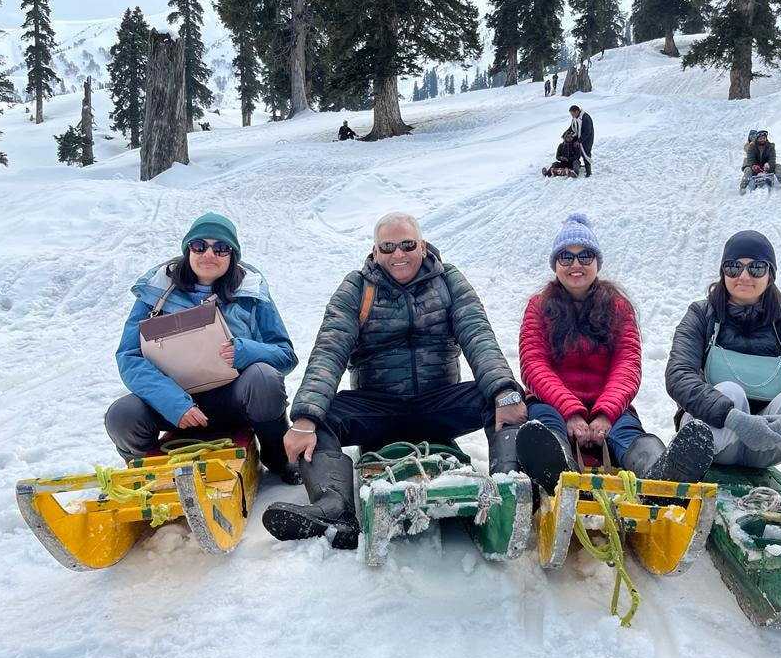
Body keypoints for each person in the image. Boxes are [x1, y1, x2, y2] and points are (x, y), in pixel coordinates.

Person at [262, 212, 527, 547]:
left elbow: (477, 334)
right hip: (379, 408)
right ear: (375, 251)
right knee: (320, 417)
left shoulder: (448, 281)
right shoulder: (357, 288)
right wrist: (304, 418)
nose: (398, 254)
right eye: (387, 247)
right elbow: (329, 349)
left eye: (407, 244)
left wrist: (504, 391)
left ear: (422, 246)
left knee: (503, 398)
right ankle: (334, 509)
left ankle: (509, 487)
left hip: (438, 403)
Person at [515, 215, 715, 490]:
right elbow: (534, 364)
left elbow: (627, 365)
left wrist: (606, 413)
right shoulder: (538, 307)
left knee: (628, 433)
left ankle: (662, 475)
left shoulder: (618, 307)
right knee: (547, 427)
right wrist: (570, 410)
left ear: (596, 262)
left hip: (608, 406)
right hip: (553, 404)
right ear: (555, 265)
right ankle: (559, 474)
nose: (576, 264)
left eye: (585, 256)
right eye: (566, 257)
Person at [664, 230, 781, 514]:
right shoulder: (702, 315)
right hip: (713, 440)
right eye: (733, 266)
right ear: (723, 272)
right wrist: (734, 417)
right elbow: (679, 374)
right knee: (730, 391)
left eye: (756, 267)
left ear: (770, 274)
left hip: (768, 442)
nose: (744, 275)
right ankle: (670, 500)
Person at [105, 213, 302, 485]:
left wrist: (247, 351)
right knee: (122, 415)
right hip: (175, 404)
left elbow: (285, 355)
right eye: (200, 246)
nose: (209, 253)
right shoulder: (155, 293)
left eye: (220, 247)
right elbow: (129, 357)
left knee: (264, 379)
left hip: (232, 399)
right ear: (188, 250)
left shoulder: (251, 293)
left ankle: (279, 457)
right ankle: (149, 474)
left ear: (232, 255)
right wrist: (174, 403)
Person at [567, 105, 594, 177]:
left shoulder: (585, 118)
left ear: (577, 111)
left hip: (587, 140)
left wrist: (579, 141)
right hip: (579, 137)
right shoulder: (575, 117)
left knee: (586, 154)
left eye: (573, 114)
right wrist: (566, 133)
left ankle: (589, 172)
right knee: (578, 153)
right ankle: (581, 166)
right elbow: (572, 126)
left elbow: (587, 132)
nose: (572, 116)